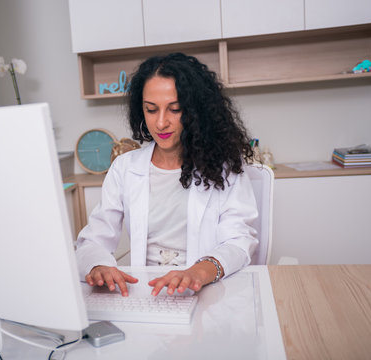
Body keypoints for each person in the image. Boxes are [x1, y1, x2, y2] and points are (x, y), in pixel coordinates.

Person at [75, 52, 258, 297]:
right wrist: (99, 266)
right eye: (151, 110)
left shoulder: (223, 169)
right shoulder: (125, 168)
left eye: (175, 109)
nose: (161, 123)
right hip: (144, 292)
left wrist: (198, 273)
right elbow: (94, 239)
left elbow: (239, 241)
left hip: (206, 291)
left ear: (196, 112)